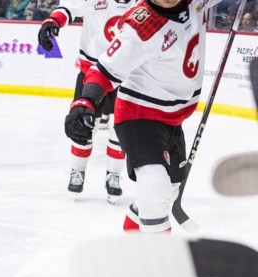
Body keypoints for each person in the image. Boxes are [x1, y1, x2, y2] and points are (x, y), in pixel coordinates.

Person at [65, 0, 225, 233]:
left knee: (166, 192)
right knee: (155, 189)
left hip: (172, 119)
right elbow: (103, 70)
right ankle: (157, 266)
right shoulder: (140, 26)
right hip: (139, 116)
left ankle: (133, 247)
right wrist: (85, 102)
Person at [38, 0, 137, 200]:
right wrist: (53, 21)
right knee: (81, 124)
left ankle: (114, 174)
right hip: (92, 72)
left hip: (127, 75)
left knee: (120, 129)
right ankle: (78, 171)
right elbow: (68, 7)